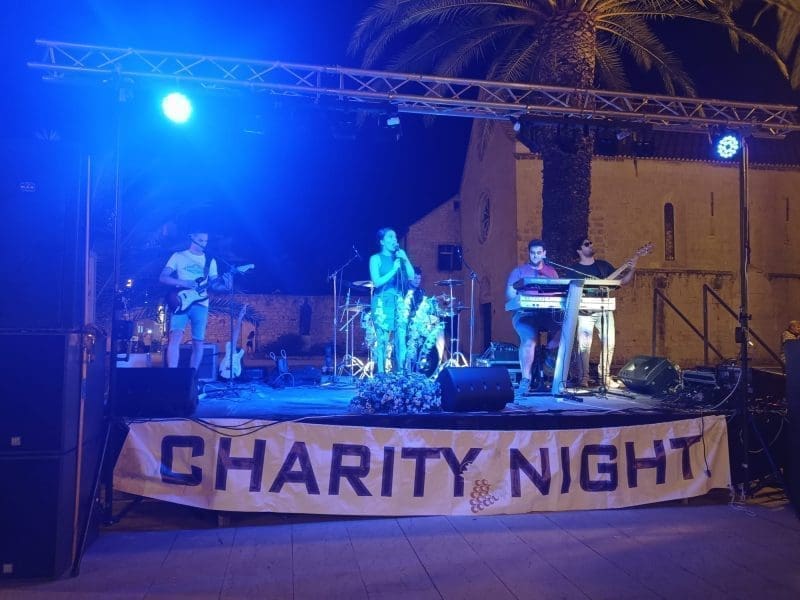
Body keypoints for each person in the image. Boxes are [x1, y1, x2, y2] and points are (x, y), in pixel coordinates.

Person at [570, 236, 637, 389]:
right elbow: (570, 291)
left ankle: (605, 377)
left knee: (609, 343)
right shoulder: (575, 269)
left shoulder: (603, 266)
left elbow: (622, 281)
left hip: (604, 310)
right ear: (579, 250)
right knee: (584, 346)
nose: (591, 245)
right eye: (587, 244)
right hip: (585, 312)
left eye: (591, 243)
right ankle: (583, 378)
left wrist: (632, 268)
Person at [159, 231, 232, 371]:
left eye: (206, 241)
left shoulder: (210, 261)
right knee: (175, 337)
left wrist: (226, 286)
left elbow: (215, 285)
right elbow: (163, 277)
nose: (203, 243)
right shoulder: (178, 256)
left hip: (201, 304)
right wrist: (183, 282)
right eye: (200, 240)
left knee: (198, 342)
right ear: (192, 237)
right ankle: (172, 375)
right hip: (181, 301)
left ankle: (192, 376)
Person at [506, 239, 561, 394]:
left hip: (547, 314)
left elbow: (559, 292)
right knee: (529, 341)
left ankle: (549, 368)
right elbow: (510, 295)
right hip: (525, 314)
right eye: (532, 253)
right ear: (529, 253)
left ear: (544, 253)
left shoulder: (552, 272)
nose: (535, 256)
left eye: (539, 253)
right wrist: (521, 302)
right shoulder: (518, 272)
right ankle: (526, 379)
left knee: (563, 332)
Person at [369, 227, 416, 373]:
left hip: (398, 302)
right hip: (382, 302)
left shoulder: (399, 258)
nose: (394, 240)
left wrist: (405, 259)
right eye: (390, 237)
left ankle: (400, 373)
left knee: (400, 339)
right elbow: (377, 282)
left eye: (395, 237)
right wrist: (393, 270)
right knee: (383, 340)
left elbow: (411, 276)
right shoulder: (375, 258)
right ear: (382, 241)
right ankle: (381, 374)